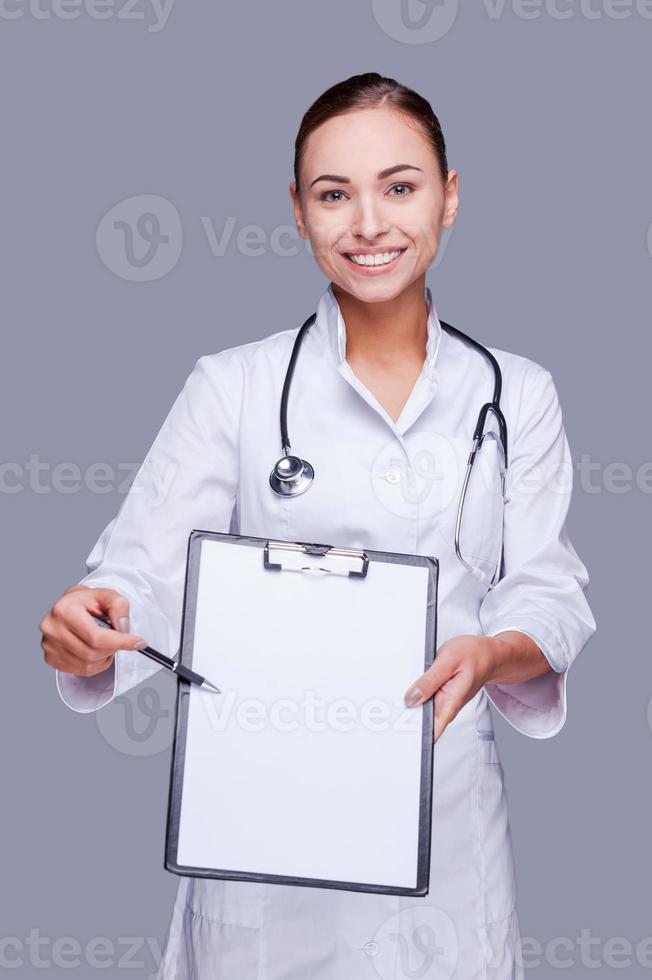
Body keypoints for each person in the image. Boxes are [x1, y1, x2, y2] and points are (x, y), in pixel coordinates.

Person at [40, 72, 597, 979]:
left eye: (401, 186)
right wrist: (94, 623)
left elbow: (546, 590)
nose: (369, 223)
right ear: (297, 214)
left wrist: (494, 653)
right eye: (333, 194)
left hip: (441, 824)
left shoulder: (516, 395)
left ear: (450, 197)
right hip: (260, 825)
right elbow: (141, 576)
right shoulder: (234, 386)